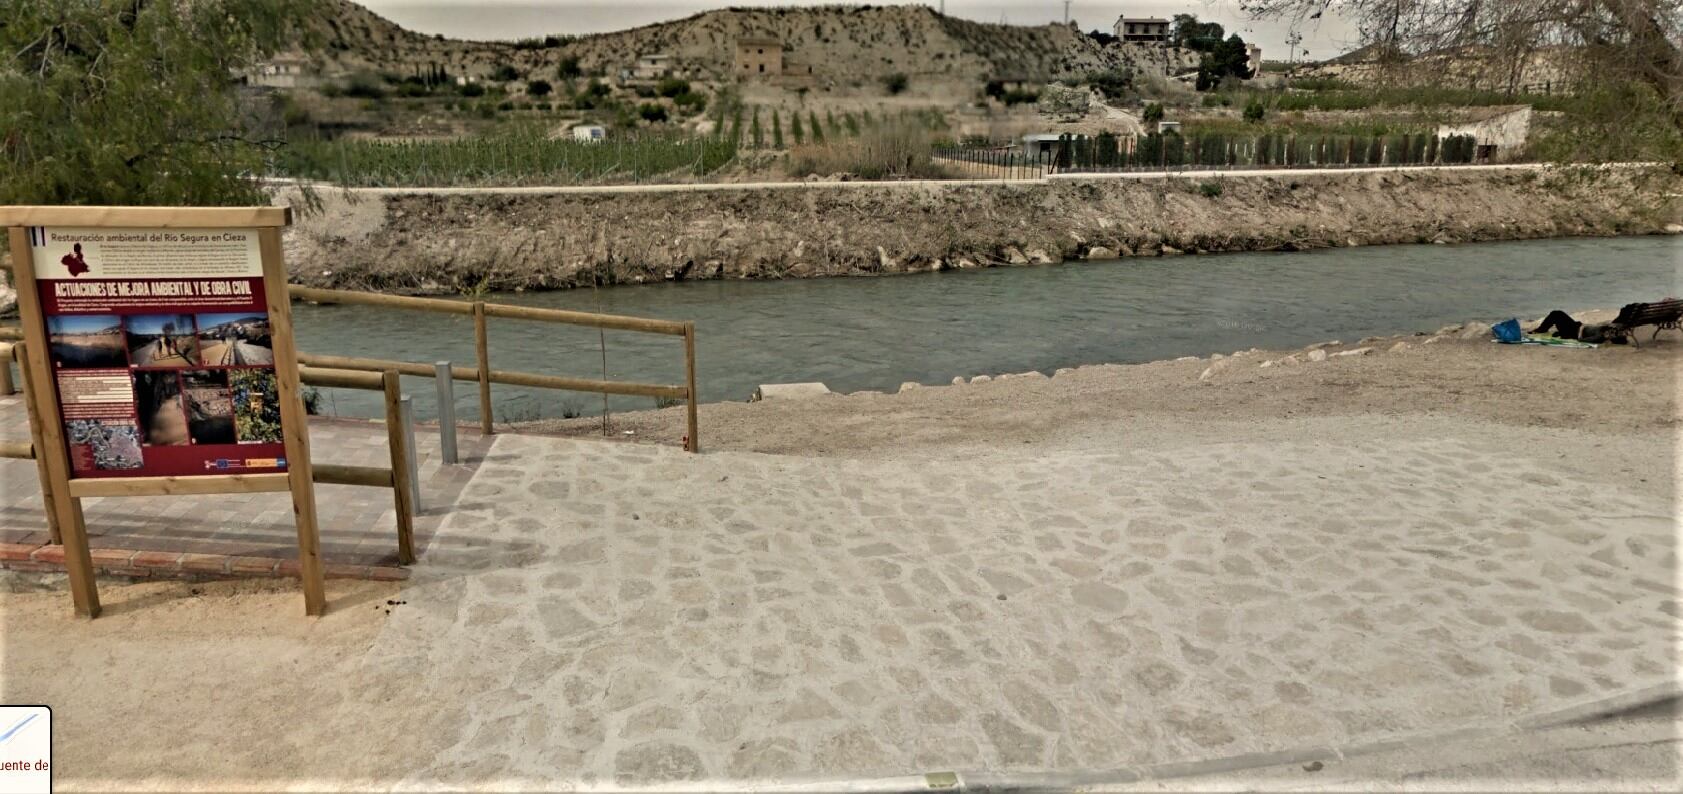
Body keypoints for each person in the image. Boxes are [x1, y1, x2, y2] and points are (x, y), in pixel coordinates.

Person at [1532, 309, 1620, 344]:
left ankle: (1541, 330)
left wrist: (1604, 337)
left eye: (1611, 333)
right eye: (1612, 331)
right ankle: (1543, 329)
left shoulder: (1601, 335)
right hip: (1576, 328)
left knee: (1556, 313)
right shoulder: (1605, 330)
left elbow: (1582, 340)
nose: (1610, 332)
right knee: (1557, 314)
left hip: (1573, 332)